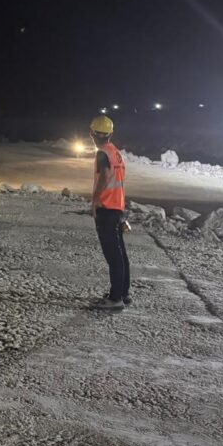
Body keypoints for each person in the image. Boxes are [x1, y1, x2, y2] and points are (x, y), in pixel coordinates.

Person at [89, 115, 130, 310]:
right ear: (110, 134)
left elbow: (105, 177)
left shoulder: (102, 154)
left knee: (113, 256)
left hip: (107, 208)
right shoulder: (116, 153)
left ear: (92, 134)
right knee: (120, 254)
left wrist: (95, 200)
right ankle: (123, 293)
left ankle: (115, 299)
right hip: (118, 207)